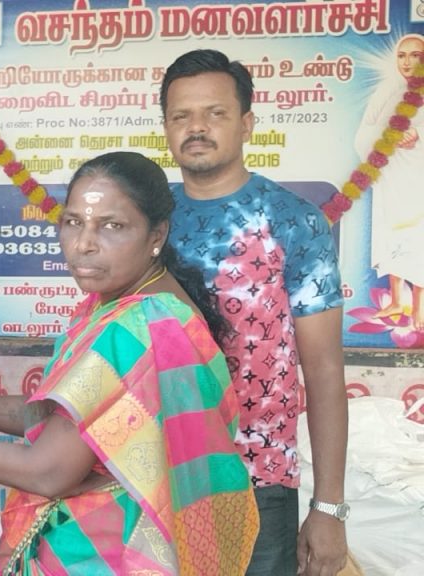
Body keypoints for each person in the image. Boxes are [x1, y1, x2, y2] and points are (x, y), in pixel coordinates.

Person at [0, 152, 260, 575]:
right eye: (73, 221)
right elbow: (57, 421)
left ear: (157, 234)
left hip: (108, 556)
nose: (83, 243)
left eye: (112, 226)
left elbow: (48, 471)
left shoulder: (139, 324)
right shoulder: (140, 307)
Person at [160, 49, 349, 575]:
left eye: (215, 113)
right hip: (153, 477)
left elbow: (324, 369)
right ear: (166, 128)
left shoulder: (293, 222)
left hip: (258, 480)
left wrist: (329, 508)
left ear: (246, 124)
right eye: (181, 116)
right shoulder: (147, 221)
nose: (196, 127)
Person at [355, 34, 424, 331]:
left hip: (418, 178)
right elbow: (363, 134)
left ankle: (419, 308)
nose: (407, 62)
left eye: (416, 55)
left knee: (417, 237)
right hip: (390, 175)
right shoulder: (386, 90)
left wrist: (418, 135)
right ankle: (396, 300)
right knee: (391, 235)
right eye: (402, 55)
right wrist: (390, 138)